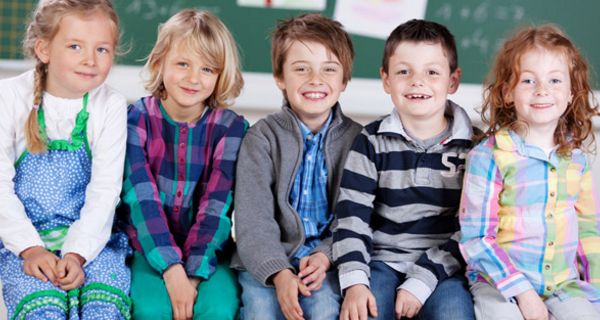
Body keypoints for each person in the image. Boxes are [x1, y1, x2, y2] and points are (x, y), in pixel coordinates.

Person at [333, 19, 476, 320]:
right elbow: (351, 218)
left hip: (446, 268)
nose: (417, 81)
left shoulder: (475, 148)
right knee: (364, 312)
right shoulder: (370, 141)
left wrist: (424, 277)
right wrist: (355, 283)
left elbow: (474, 230)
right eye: (403, 71)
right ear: (386, 79)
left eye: (432, 72)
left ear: (453, 80)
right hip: (381, 261)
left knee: (455, 314)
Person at [459, 24, 600, 320]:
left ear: (572, 92)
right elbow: (476, 238)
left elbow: (589, 230)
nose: (542, 90)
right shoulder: (488, 156)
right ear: (508, 92)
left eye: (555, 80)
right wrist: (522, 293)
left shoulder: (576, 159)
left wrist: (597, 293)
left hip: (563, 283)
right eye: (527, 80)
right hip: (501, 285)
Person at [0, 0, 130, 319]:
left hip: (93, 242)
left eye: (102, 49)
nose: (90, 60)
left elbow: (104, 192)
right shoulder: (9, 97)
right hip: (23, 242)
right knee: (44, 310)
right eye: (75, 46)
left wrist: (77, 253)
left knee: (104, 307)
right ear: (44, 50)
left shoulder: (110, 105)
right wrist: (30, 248)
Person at [231, 13, 362, 320]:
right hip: (265, 260)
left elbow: (355, 216)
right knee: (261, 310)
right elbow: (253, 222)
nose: (315, 80)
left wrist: (325, 255)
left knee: (326, 307)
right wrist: (278, 272)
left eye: (329, 70)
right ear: (280, 77)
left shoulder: (358, 141)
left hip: (325, 262)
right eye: (301, 69)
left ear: (343, 81)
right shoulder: (261, 138)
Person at [118, 9, 246, 320]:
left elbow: (217, 206)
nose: (193, 78)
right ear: (160, 62)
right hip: (146, 248)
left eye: (207, 69)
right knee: (151, 309)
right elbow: (140, 199)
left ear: (220, 75)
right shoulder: (136, 119)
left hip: (209, 250)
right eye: (182, 64)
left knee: (218, 308)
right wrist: (171, 269)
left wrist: (193, 272)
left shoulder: (231, 128)